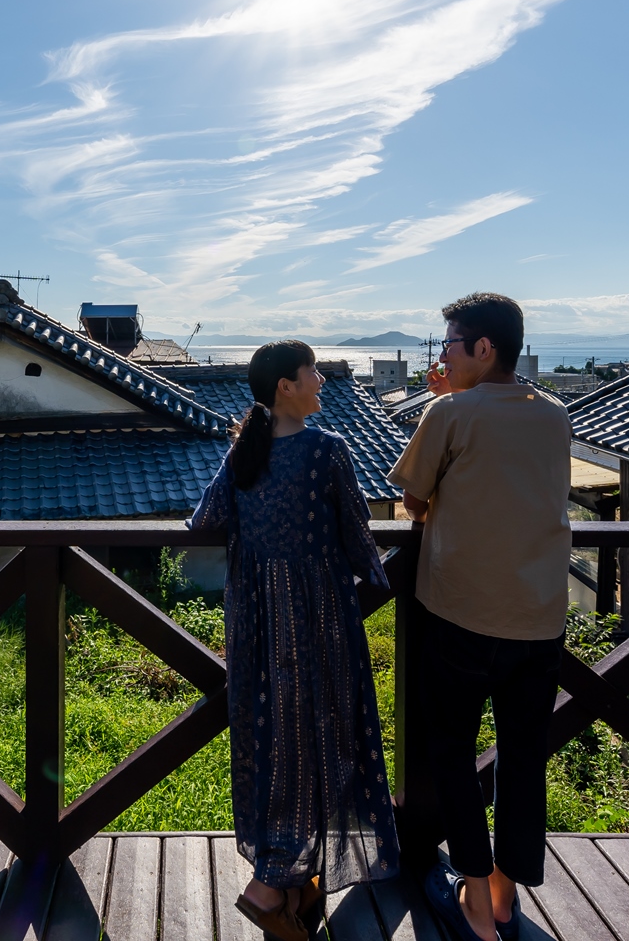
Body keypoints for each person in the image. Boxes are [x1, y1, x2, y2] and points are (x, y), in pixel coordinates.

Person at [190, 340, 400, 941]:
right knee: (324, 736)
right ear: (287, 385)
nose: (320, 381)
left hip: (256, 621)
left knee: (275, 735)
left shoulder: (244, 452)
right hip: (317, 616)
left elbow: (205, 520)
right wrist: (385, 574)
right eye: (311, 371)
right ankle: (271, 883)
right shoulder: (326, 450)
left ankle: (287, 880)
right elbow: (358, 534)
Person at [387, 294, 572, 941]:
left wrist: (445, 406)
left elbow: (413, 501)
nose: (442, 354)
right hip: (541, 618)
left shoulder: (448, 411)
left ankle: (471, 896)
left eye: (450, 343)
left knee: (451, 753)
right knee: (523, 760)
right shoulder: (554, 413)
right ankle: (502, 896)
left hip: (462, 615)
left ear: (483, 348)